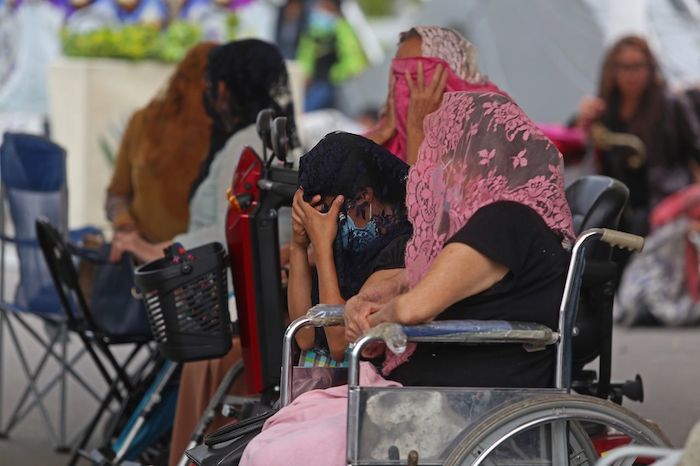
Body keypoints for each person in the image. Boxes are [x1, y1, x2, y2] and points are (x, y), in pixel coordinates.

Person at [240, 90, 575, 466]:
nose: (440, 170)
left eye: (449, 156)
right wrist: (369, 301)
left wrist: (369, 324)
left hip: (461, 405)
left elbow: (416, 306)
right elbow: (416, 276)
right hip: (431, 394)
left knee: (279, 452)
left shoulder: (503, 221)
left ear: (478, 160)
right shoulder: (498, 223)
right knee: (282, 431)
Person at [108, 39, 299, 466]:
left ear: (223, 90)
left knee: (195, 362)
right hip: (241, 293)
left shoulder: (243, 146)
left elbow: (225, 231)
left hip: (226, 295)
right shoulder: (275, 132)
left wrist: (149, 247)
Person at [289, 132, 412, 364]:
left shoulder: (404, 247)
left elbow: (339, 344)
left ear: (364, 195)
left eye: (326, 208)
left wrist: (322, 247)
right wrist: (298, 245)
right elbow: (304, 338)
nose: (320, 221)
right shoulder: (348, 248)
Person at [575, 35, 700, 234]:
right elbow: (574, 145)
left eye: (637, 66)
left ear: (650, 68)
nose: (631, 75)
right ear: (612, 70)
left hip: (666, 205)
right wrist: (583, 120)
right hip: (618, 208)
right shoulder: (604, 109)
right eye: (623, 67)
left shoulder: (671, 104)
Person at [106, 42, 215, 244]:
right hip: (141, 258)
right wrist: (124, 222)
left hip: (199, 261)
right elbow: (116, 195)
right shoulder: (143, 122)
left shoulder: (225, 134)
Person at [364, 26, 499, 164]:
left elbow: (420, 185)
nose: (402, 88)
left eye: (416, 77)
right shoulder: (385, 145)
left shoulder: (481, 145)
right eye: (398, 76)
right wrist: (382, 132)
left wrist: (417, 131)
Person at [296, 0, 367, 111]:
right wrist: (306, 73)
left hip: (335, 85)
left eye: (324, 6)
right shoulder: (313, 30)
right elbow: (306, 54)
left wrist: (334, 75)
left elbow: (352, 62)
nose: (319, 8)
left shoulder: (343, 29)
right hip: (315, 83)